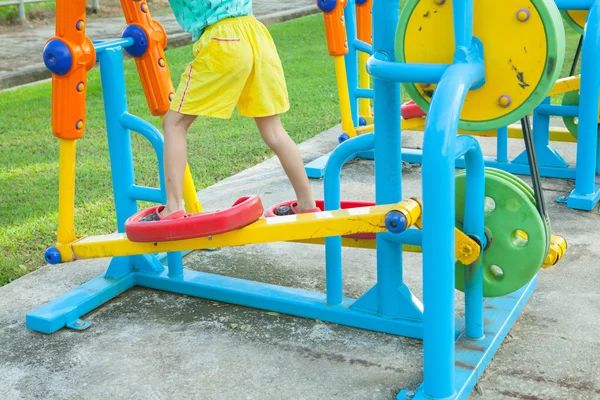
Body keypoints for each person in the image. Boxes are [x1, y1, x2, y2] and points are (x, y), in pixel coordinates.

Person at [141, 0, 319, 221]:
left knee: (174, 124)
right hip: (257, 35)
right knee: (274, 131)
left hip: (222, 38)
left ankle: (173, 207)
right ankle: (306, 204)